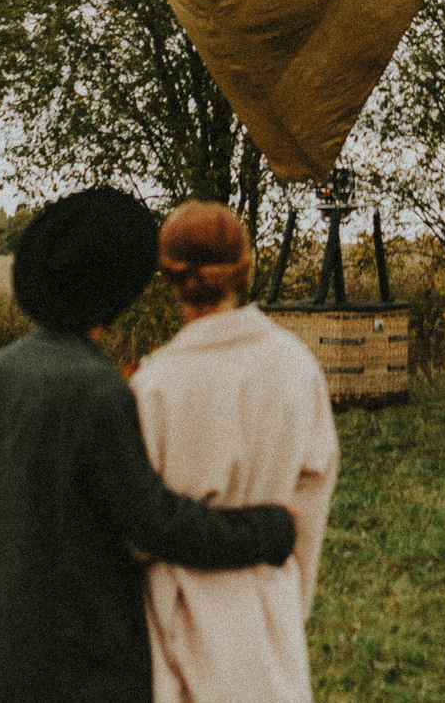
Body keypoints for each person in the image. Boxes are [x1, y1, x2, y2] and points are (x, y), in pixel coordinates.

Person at [0, 188, 298, 703]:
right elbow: (153, 523)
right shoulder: (96, 390)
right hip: (78, 666)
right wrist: (270, 529)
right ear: (115, 293)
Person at [131, 202, 339, 703]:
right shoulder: (297, 366)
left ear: (169, 275)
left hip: (176, 618)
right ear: (244, 267)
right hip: (268, 605)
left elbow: (135, 526)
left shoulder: (152, 385)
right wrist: (289, 600)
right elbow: (310, 501)